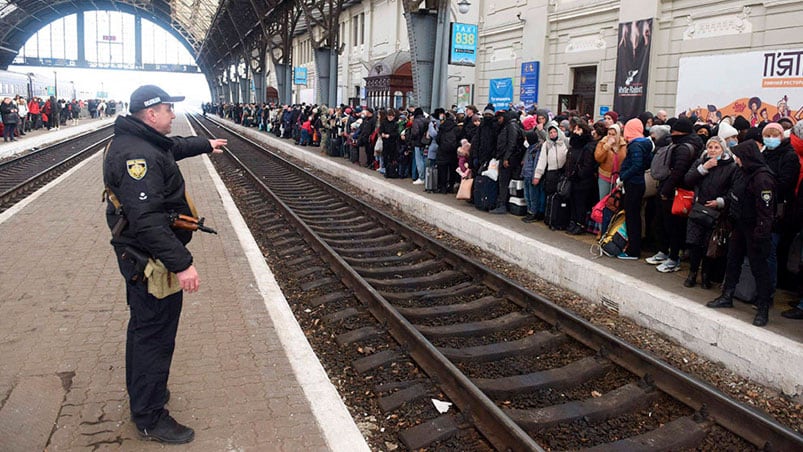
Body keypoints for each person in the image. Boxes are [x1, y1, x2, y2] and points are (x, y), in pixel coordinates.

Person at [103, 85, 227, 443]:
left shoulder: (140, 141)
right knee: (155, 337)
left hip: (140, 254)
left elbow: (173, 149)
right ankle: (149, 416)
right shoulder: (137, 157)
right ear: (151, 113)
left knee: (143, 329)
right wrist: (183, 264)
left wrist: (206, 144)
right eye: (169, 109)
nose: (174, 114)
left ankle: (144, 395)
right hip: (149, 258)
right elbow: (147, 220)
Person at [706, 140, 775, 327]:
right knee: (733, 260)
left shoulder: (762, 178)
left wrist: (761, 234)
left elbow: (766, 210)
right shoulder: (741, 172)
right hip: (739, 224)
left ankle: (763, 307)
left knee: (758, 268)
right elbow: (734, 194)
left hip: (755, 229)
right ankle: (727, 294)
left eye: (738, 156)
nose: (736, 159)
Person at [682, 136, 737, 288]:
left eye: (716, 147)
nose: (713, 151)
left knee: (709, 245)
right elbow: (687, 180)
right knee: (694, 244)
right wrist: (704, 168)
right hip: (698, 209)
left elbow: (733, 190)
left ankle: (706, 275)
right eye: (710, 147)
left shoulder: (731, 166)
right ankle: (692, 273)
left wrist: (720, 202)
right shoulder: (701, 162)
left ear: (723, 149)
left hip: (715, 212)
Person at [616, 118, 651, 260]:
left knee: (632, 218)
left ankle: (633, 251)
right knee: (635, 216)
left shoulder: (636, 145)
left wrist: (623, 176)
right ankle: (634, 247)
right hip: (639, 183)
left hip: (633, 184)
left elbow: (636, 165)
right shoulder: (646, 144)